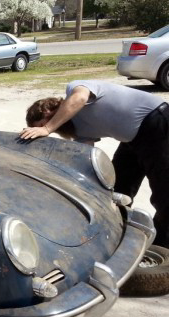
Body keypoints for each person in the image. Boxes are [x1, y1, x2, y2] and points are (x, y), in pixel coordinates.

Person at [20, 80, 169, 248]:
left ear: (47, 111)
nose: (52, 130)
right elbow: (87, 158)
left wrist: (46, 128)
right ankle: (118, 235)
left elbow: (80, 98)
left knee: (164, 192)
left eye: (42, 125)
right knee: (118, 190)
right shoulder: (79, 130)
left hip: (158, 121)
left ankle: (162, 251)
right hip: (132, 139)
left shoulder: (75, 88)